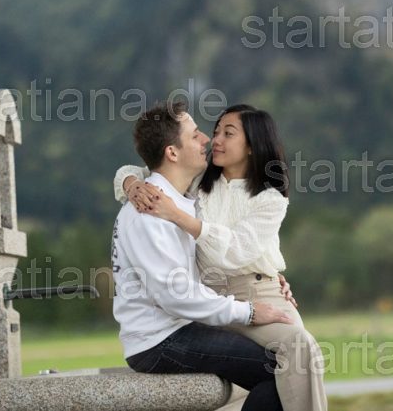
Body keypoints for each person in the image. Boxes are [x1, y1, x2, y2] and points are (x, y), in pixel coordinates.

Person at [114, 104, 327, 411]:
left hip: (248, 295)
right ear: (174, 152)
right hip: (190, 316)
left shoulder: (264, 197)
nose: (210, 140)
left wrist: (178, 216)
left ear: (252, 145)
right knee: (283, 366)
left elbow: (237, 250)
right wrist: (132, 184)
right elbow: (141, 168)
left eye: (227, 133)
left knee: (299, 356)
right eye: (206, 133)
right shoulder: (180, 192)